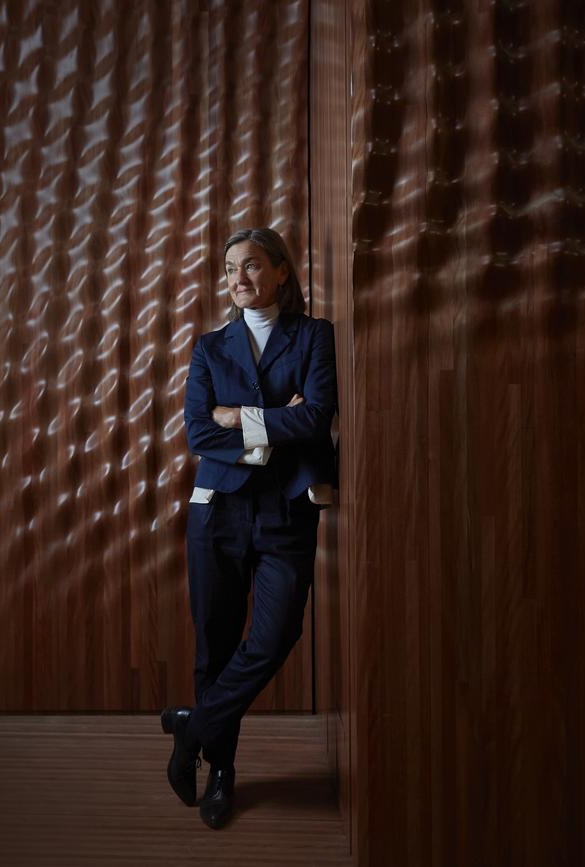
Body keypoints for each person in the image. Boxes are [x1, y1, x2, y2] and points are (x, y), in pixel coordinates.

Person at [160, 227, 337, 829]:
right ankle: (222, 772)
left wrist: (240, 416)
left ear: (281, 272)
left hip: (287, 513)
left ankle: (195, 727)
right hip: (218, 513)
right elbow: (199, 436)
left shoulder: (315, 337)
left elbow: (314, 419)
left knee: (276, 632)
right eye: (232, 268)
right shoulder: (210, 348)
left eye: (253, 265)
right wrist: (269, 423)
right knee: (214, 641)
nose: (240, 278)